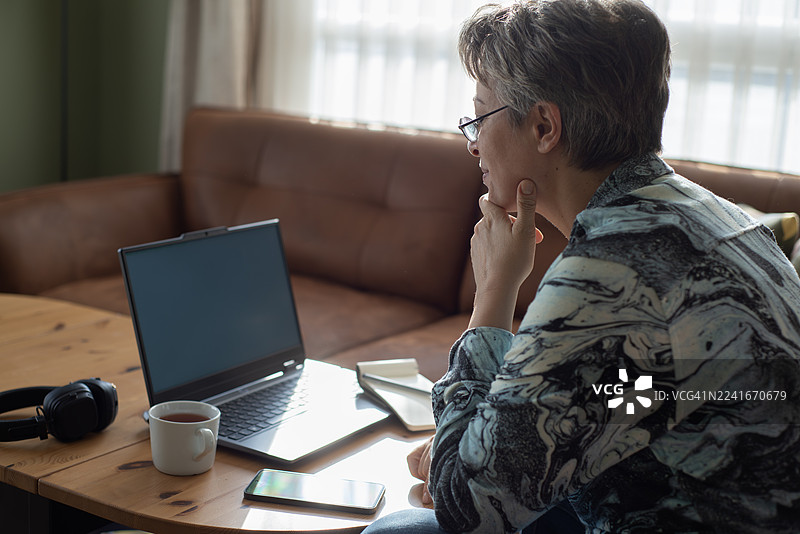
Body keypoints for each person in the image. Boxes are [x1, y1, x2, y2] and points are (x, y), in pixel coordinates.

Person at [363, 0, 800, 533]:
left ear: (544, 126)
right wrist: (502, 426)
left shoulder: (614, 270)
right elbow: (650, 391)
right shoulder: (713, 214)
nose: (473, 144)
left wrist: (493, 296)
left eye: (478, 117)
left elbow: (464, 507)